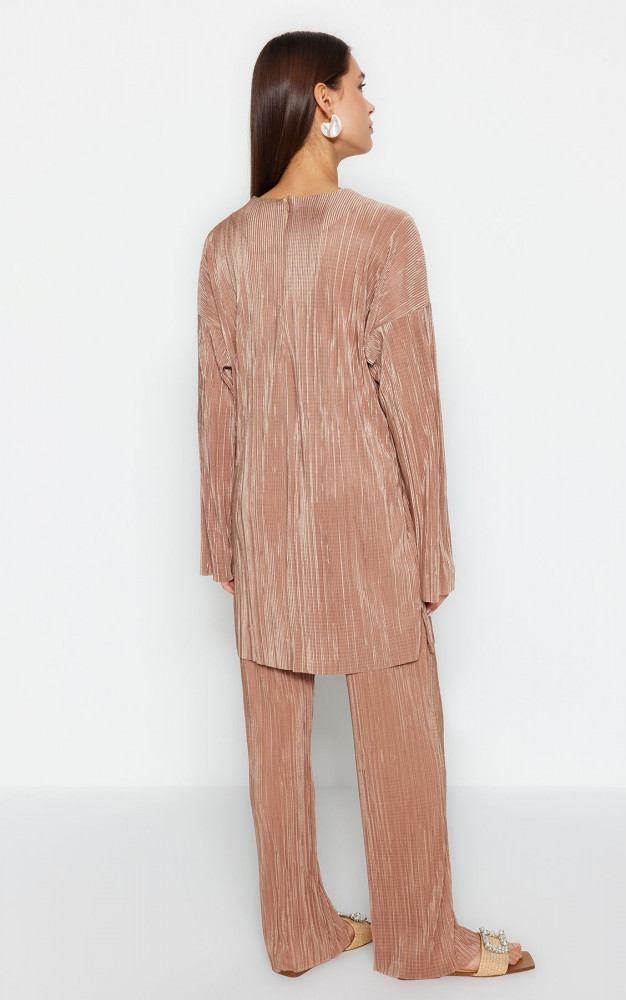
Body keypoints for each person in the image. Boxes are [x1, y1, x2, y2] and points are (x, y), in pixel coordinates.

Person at [196, 29, 535, 980]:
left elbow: (216, 407)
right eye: (360, 86)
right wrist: (433, 547)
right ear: (322, 103)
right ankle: (421, 937)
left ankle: (298, 930)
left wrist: (223, 542)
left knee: (274, 743)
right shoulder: (384, 234)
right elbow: (413, 408)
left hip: (265, 532)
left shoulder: (223, 246)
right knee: (402, 736)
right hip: (368, 528)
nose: (371, 103)